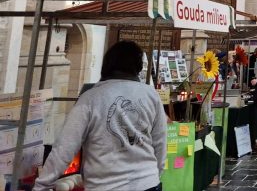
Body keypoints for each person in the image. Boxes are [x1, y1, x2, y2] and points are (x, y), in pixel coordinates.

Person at [34, 41, 166, 191]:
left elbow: (65, 147)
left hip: (105, 185)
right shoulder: (151, 95)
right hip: (148, 183)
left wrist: (42, 185)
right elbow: (160, 141)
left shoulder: (90, 98)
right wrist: (155, 174)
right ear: (138, 66)